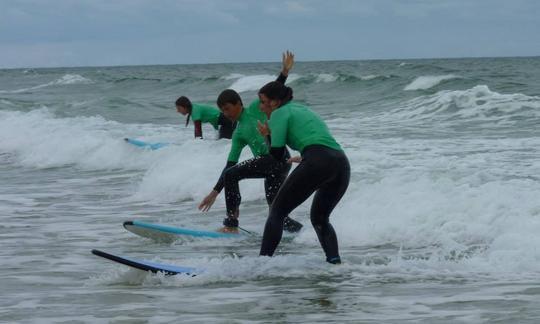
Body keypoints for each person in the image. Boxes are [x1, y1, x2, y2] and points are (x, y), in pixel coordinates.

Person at [198, 51, 303, 234]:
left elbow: (274, 90)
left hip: (277, 157)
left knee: (233, 174)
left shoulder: (255, 108)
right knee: (277, 214)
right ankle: (304, 234)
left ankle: (231, 223)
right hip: (273, 166)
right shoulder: (238, 134)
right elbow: (229, 165)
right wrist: (214, 192)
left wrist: (284, 72)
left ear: (238, 103)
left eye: (228, 108)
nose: (226, 113)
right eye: (223, 111)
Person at [256, 81, 350, 264]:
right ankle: (335, 263)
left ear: (274, 102)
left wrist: (267, 135)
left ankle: (261, 264)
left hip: (317, 161)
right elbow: (318, 140)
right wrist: (306, 156)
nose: (260, 106)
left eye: (263, 101)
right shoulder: (303, 110)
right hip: (341, 163)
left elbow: (276, 154)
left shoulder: (278, 114)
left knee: (277, 212)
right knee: (320, 218)